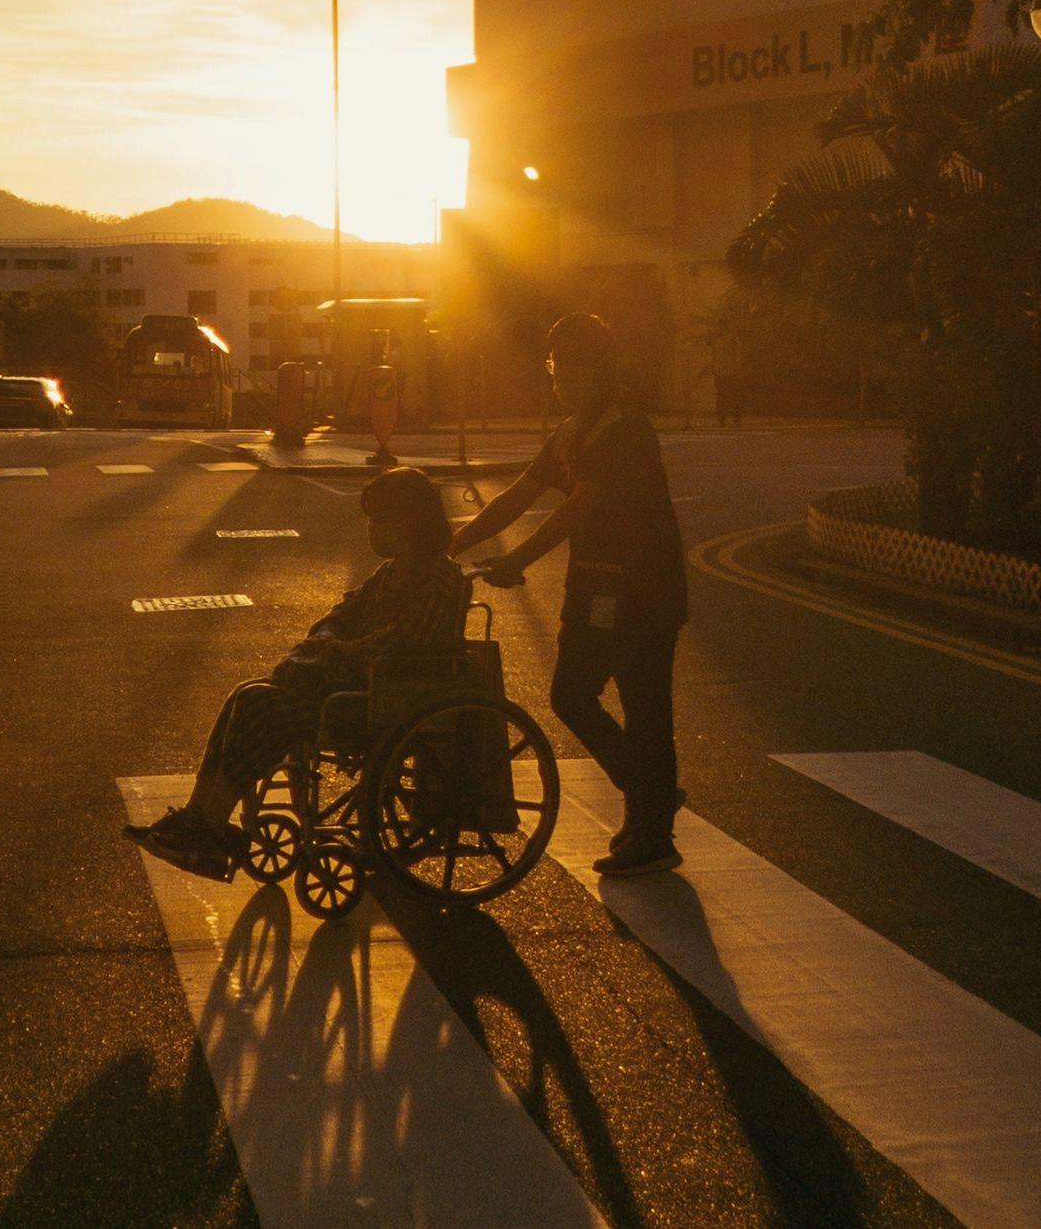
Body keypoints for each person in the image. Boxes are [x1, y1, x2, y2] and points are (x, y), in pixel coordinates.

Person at [125, 467, 469, 879]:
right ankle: (200, 816)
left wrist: (341, 649)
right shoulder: (390, 573)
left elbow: (405, 642)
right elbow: (343, 611)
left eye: (381, 519)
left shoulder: (440, 577)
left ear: (410, 520)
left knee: (260, 704)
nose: (372, 529)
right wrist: (327, 635)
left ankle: (210, 825)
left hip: (380, 692)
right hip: (346, 682)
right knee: (245, 692)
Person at [450, 314, 689, 876]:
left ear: (604, 371)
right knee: (571, 696)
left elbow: (578, 506)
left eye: (579, 368)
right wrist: (452, 542)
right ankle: (651, 798)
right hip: (593, 587)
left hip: (643, 593)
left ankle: (652, 831)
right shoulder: (572, 432)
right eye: (559, 367)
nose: (566, 379)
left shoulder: (625, 428)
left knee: (646, 709)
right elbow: (519, 494)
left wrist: (516, 560)